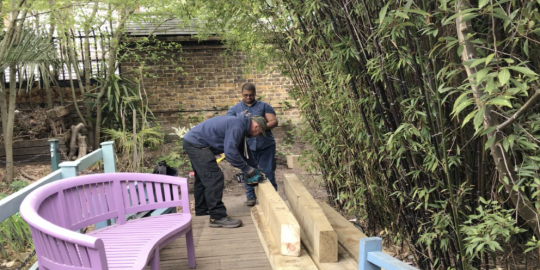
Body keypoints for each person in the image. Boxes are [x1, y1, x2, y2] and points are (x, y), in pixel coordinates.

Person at [182, 114, 267, 228]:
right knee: (214, 178)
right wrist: (246, 169)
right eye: (260, 133)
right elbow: (231, 153)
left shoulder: (240, 125)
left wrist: (255, 168)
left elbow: (244, 152)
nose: (257, 136)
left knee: (204, 179)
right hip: (198, 144)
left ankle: (201, 212)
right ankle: (217, 217)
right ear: (256, 127)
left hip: (193, 141)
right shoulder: (238, 126)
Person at [226, 83, 278, 206]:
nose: (248, 97)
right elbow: (229, 124)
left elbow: (274, 121)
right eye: (245, 95)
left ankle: (272, 197)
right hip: (245, 146)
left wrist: (259, 128)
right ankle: (251, 196)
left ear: (255, 93)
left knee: (268, 171)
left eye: (251, 95)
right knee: (248, 171)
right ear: (241, 94)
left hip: (266, 145)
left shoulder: (264, 106)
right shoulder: (234, 110)